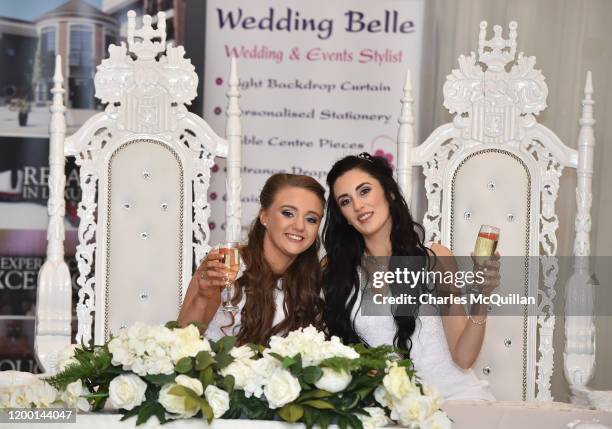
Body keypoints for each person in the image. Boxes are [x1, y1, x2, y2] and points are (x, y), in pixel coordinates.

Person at [322, 152, 500, 400]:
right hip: (392, 409)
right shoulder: (335, 271)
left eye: (364, 191)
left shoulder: (436, 259)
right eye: (345, 201)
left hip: (455, 399)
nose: (358, 205)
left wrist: (482, 296)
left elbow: (464, 358)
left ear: (390, 193)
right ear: (344, 218)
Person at [178, 173, 325, 346]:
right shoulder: (227, 260)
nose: (300, 226)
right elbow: (180, 342)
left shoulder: (316, 277)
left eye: (311, 219)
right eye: (288, 213)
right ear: (264, 217)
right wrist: (203, 296)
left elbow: (365, 320)